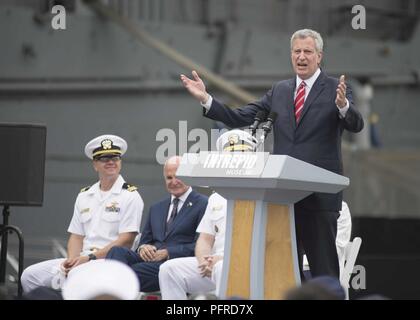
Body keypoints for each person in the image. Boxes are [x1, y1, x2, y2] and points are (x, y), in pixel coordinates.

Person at [180, 28, 364, 278]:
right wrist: (207, 99)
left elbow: (356, 124)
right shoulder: (280, 90)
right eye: (297, 51)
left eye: (308, 51)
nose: (301, 56)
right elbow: (240, 116)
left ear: (319, 56)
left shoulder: (335, 88)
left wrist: (343, 106)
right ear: (291, 55)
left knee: (324, 271)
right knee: (285, 270)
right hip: (285, 198)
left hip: (320, 197)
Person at [21, 134, 144, 293]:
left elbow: (126, 240)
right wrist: (72, 260)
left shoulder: (130, 195)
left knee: (76, 278)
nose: (111, 162)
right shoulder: (85, 195)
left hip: (108, 262)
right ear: (95, 164)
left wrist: (88, 259)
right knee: (29, 276)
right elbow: (76, 236)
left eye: (115, 157)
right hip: (82, 259)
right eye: (104, 158)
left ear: (120, 162)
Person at [106, 156, 208, 292]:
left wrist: (168, 253)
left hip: (174, 263)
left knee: (128, 272)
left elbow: (203, 244)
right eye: (169, 178)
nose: (174, 182)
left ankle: (110, 289)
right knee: (116, 252)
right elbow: (144, 241)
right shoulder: (157, 207)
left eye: (178, 177)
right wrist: (144, 248)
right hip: (150, 260)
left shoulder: (203, 203)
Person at [159, 192, 226, 300]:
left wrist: (223, 259)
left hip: (239, 264)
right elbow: (205, 238)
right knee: (168, 269)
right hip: (211, 263)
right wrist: (204, 261)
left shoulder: (258, 193)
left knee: (221, 267)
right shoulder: (216, 197)